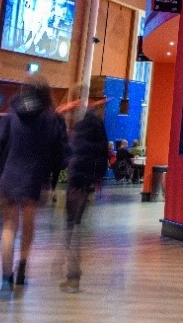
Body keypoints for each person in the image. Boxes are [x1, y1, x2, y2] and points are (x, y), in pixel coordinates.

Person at [0, 76, 67, 301]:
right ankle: (22, 269)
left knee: (8, 227)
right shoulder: (52, 119)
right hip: (34, 177)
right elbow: (60, 153)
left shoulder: (12, 114)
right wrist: (53, 177)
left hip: (10, 176)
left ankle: (6, 280)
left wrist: (1, 170)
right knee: (28, 224)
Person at [60, 95, 109, 293]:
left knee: (72, 228)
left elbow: (76, 155)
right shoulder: (98, 127)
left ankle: (73, 275)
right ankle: (72, 273)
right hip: (86, 183)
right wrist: (96, 179)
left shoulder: (82, 128)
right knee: (75, 226)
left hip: (77, 184)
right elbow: (102, 155)